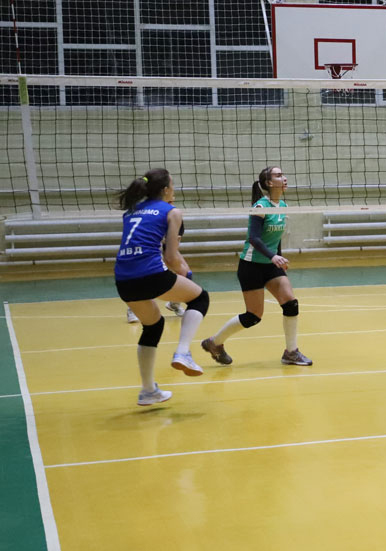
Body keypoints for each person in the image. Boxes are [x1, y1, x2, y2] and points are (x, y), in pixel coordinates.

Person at [114, 168, 210, 406]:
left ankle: (148, 391)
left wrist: (179, 268)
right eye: (173, 186)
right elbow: (171, 257)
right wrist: (185, 273)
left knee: (153, 326)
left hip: (123, 279)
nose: (174, 190)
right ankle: (183, 352)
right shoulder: (172, 211)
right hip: (151, 273)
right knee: (200, 298)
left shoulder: (131, 211)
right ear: (166, 189)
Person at [200, 166, 311, 367]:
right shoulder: (260, 207)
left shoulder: (282, 205)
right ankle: (214, 343)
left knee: (291, 303)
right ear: (269, 183)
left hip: (271, 265)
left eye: (283, 174)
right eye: (278, 175)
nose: (284, 178)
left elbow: (276, 238)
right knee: (253, 316)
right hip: (251, 266)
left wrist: (278, 257)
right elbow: (254, 238)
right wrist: (272, 256)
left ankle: (291, 352)